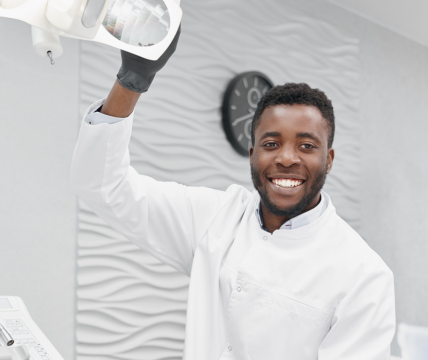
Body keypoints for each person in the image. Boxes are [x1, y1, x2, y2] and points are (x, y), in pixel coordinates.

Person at [70, 28, 396, 360]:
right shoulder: (216, 217)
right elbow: (102, 185)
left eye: (306, 146)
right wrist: (132, 80)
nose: (286, 158)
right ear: (253, 153)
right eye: (271, 144)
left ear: (328, 159)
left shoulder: (364, 274)